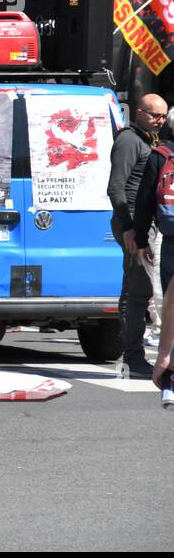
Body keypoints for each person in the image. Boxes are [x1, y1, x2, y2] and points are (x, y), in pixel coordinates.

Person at [112, 94, 168, 375]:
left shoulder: (148, 140)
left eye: (162, 116)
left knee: (138, 289)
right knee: (138, 291)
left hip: (144, 222)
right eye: (153, 115)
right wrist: (129, 228)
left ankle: (132, 355)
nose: (159, 121)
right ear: (139, 112)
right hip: (133, 221)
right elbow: (116, 187)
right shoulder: (129, 140)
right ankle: (132, 358)